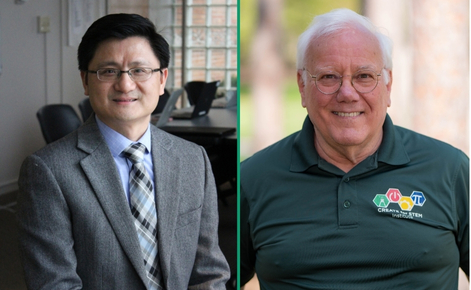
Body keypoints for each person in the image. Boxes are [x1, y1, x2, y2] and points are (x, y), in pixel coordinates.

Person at [240, 8, 468, 289]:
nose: (347, 94)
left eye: (363, 76)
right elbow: (212, 279)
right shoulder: (252, 179)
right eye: (328, 77)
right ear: (301, 85)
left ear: (388, 85)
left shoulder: (450, 169)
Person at [17, 13, 229, 290]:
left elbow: (209, 272)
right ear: (85, 80)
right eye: (108, 71)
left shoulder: (193, 159)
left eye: (139, 70)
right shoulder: (48, 171)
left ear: (162, 79)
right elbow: (54, 284)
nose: (125, 85)